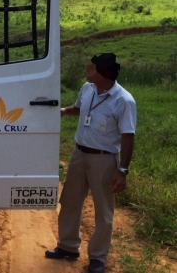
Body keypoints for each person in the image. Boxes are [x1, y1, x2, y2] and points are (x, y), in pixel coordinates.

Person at [45, 53, 136, 273]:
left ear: (104, 74)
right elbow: (80, 109)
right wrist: (65, 111)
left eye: (92, 68)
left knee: (103, 212)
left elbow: (128, 136)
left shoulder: (124, 100)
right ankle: (68, 246)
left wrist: (122, 170)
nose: (88, 70)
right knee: (69, 203)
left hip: (104, 160)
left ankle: (98, 258)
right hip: (79, 154)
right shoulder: (88, 89)